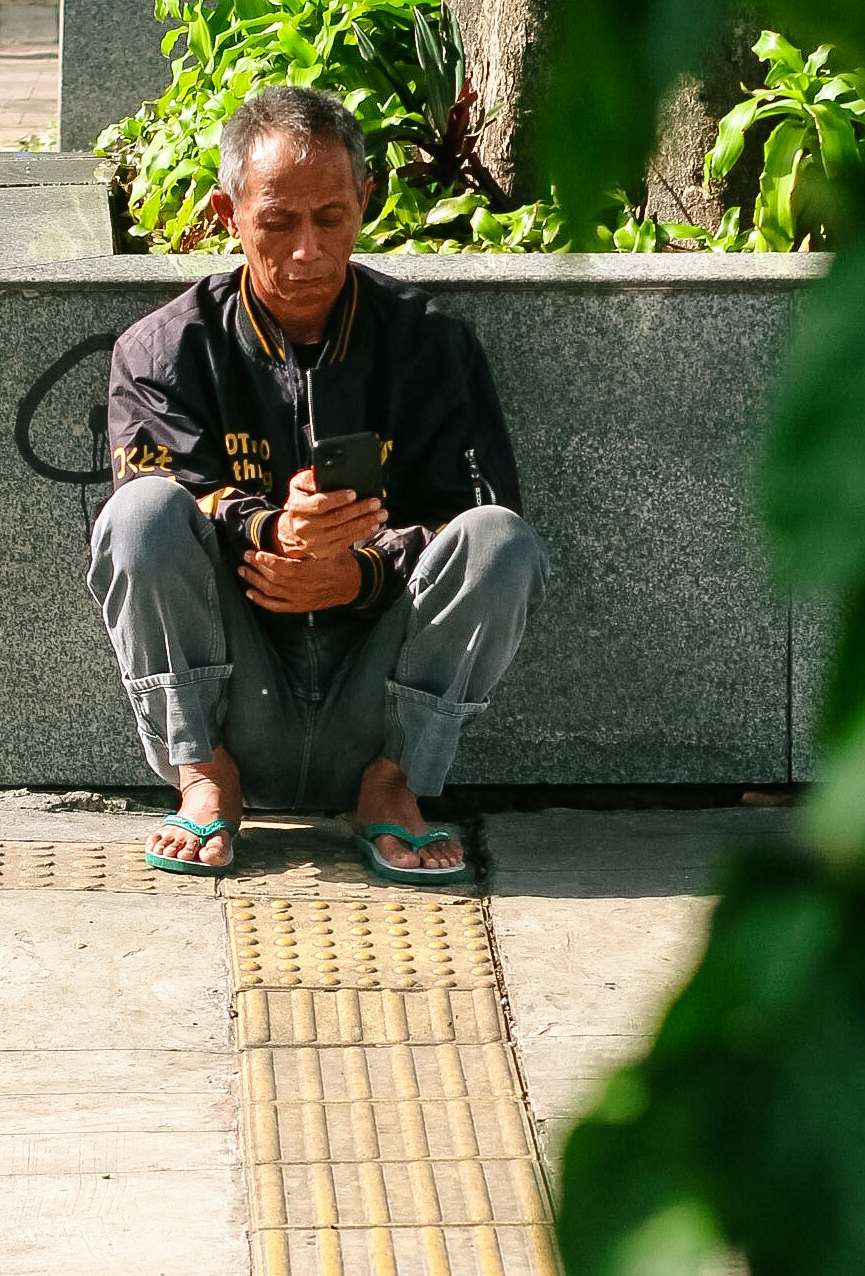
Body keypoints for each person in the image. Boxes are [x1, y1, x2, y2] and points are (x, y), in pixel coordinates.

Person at [88, 85, 547, 881]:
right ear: (227, 213)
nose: (307, 250)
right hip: (235, 694)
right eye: (277, 222)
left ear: (365, 202)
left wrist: (357, 573)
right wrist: (276, 534)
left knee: (503, 541)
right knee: (138, 515)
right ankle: (204, 779)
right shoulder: (163, 350)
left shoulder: (432, 345)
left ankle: (392, 788)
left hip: (383, 698)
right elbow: (167, 493)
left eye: (330, 218)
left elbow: (474, 514)